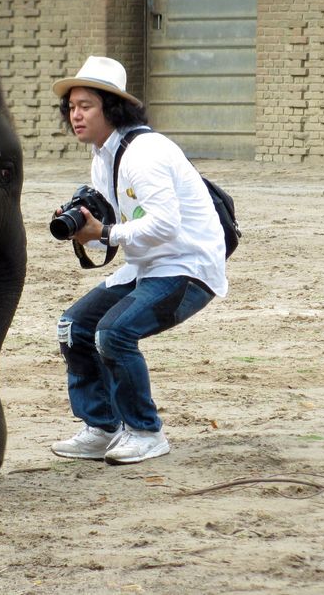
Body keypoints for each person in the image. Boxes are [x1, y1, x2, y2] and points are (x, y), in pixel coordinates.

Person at [49, 56, 227, 464]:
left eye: (86, 106)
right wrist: (85, 233)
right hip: (146, 266)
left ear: (112, 108)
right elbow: (112, 234)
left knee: (113, 333)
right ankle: (102, 428)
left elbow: (165, 225)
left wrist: (106, 233)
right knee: (73, 327)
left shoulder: (143, 153)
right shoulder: (103, 157)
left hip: (187, 267)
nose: (75, 115)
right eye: (71, 107)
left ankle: (146, 432)